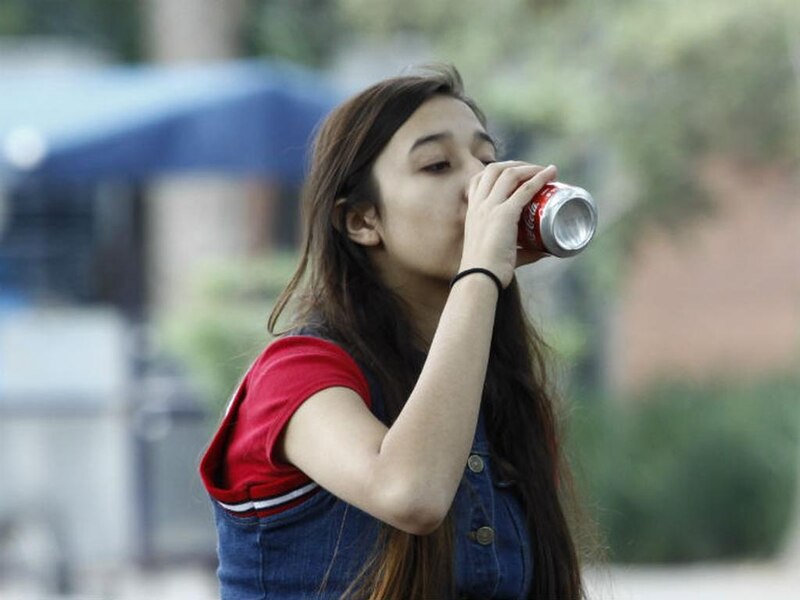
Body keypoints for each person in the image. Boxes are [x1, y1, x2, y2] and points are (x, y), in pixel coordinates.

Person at [200, 64, 584, 599]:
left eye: (487, 160)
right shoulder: (295, 376)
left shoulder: (499, 391)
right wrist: (480, 273)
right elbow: (411, 494)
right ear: (361, 220)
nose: (479, 186)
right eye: (437, 165)